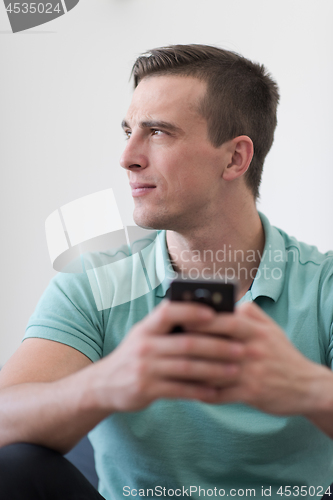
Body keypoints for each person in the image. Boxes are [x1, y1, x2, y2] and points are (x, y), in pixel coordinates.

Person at [0, 44, 333, 500]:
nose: (128, 157)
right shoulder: (94, 282)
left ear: (235, 159)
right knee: (12, 466)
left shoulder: (323, 285)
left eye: (157, 132)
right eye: (128, 131)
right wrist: (106, 383)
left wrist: (311, 389)